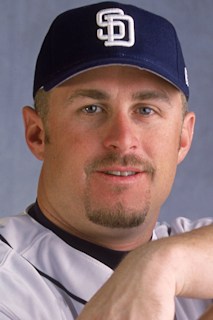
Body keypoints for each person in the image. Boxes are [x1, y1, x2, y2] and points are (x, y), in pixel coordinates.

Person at [0, 2, 212, 319]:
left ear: (183, 138)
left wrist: (158, 264)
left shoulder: (187, 250)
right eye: (91, 109)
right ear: (37, 134)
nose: (123, 139)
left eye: (145, 110)